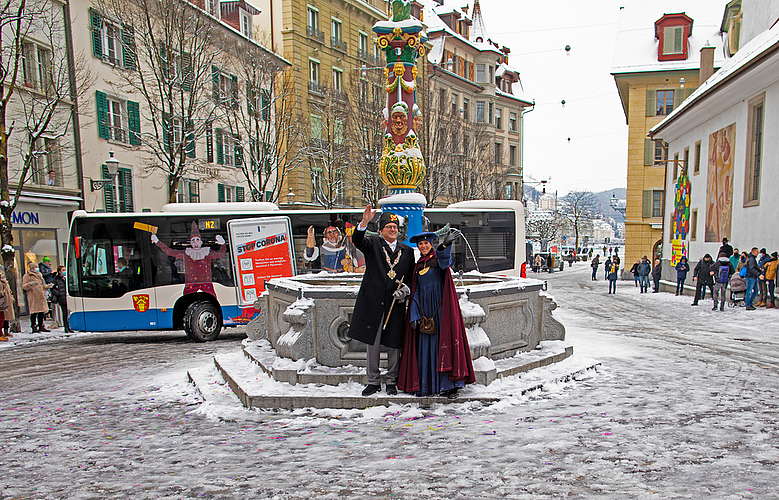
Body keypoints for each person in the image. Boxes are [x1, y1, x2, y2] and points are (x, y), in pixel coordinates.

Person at [398, 231, 475, 398]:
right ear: (418, 247)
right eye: (420, 244)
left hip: (441, 311)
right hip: (425, 312)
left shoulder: (438, 260)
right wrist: (414, 314)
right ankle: (428, 385)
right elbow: (416, 291)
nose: (423, 246)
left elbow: (445, 261)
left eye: (426, 243)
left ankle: (450, 386)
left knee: (443, 344)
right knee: (425, 347)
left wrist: (445, 245)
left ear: (431, 244)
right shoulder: (418, 265)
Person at [348, 206, 414, 397]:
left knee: (394, 344)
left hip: (396, 304)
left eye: (395, 227)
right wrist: (364, 222)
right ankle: (373, 381)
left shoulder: (408, 251)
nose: (392, 230)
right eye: (388, 227)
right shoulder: (373, 244)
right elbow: (357, 240)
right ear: (381, 230)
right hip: (373, 302)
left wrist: (406, 290)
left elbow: (410, 276)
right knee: (373, 344)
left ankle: (392, 380)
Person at [152, 222, 226, 297]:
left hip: (206, 282)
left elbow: (221, 254)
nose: (195, 242)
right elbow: (170, 252)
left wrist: (223, 244)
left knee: (211, 299)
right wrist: (157, 241)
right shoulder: (186, 253)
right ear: (190, 243)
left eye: (197, 240)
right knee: (187, 300)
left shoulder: (207, 252)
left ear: (201, 241)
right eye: (193, 240)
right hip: (191, 283)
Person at [22, 262, 52, 332]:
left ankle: (41, 325)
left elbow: (43, 284)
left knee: (41, 312)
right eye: (35, 267)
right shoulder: (27, 276)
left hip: (41, 296)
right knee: (34, 312)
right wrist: (30, 284)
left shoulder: (39, 275)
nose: (37, 268)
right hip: (34, 296)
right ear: (32, 268)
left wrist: (47, 286)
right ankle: (33, 326)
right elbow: (24, 286)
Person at [50, 265, 71, 332]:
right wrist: (58, 293)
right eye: (63, 270)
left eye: (65, 269)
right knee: (64, 313)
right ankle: (66, 327)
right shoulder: (56, 279)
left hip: (69, 297)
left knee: (69, 313)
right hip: (62, 298)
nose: (64, 271)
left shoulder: (68, 277)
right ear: (59, 271)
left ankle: (70, 326)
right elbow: (52, 288)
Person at [0, 268, 14, 338]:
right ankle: (1, 332)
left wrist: (11, 298)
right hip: (2, 301)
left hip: (6, 301)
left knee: (5, 317)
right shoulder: (1, 282)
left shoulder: (5, 281)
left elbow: (9, 291)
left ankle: (5, 331)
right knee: (2, 317)